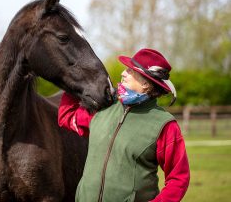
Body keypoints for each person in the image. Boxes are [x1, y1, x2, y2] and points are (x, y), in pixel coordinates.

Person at [58, 48, 190, 202]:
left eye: (130, 71)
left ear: (146, 83)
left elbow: (179, 178)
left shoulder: (164, 125)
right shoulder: (104, 108)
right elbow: (67, 116)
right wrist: (72, 82)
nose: (123, 73)